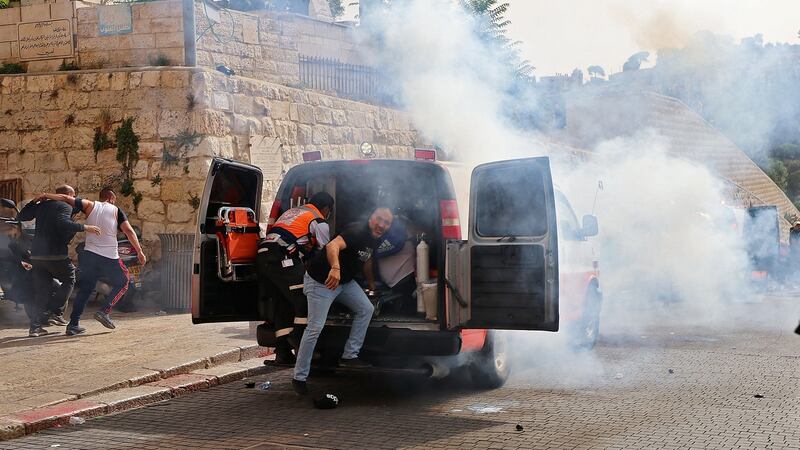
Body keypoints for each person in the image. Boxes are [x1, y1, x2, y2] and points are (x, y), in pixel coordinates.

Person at [292, 207, 394, 395]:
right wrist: (336, 268)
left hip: (345, 283)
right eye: (379, 219)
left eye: (387, 222)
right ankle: (299, 377)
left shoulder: (375, 238)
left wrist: (372, 286)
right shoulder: (357, 230)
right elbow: (332, 246)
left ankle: (349, 355)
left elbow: (367, 260)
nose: (381, 225)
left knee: (366, 309)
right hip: (321, 281)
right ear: (371, 217)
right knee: (315, 327)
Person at [39, 187, 146, 335]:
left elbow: (64, 198)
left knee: (86, 289)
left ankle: (73, 324)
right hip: (109, 256)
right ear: (111, 198)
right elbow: (128, 231)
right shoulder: (116, 210)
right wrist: (139, 251)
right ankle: (104, 311)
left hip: (90, 255)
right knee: (123, 281)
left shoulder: (89, 205)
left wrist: (45, 195)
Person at [257, 192, 334, 364]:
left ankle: (283, 352)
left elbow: (293, 236)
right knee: (306, 298)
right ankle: (298, 338)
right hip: (283, 258)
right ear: (326, 208)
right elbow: (326, 251)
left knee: (283, 303)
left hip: (264, 256)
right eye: (330, 211)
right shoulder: (319, 221)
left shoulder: (293, 212)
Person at [17, 185, 101, 337]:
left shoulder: (42, 205)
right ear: (68, 195)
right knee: (70, 278)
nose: (74, 200)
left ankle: (35, 328)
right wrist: (85, 227)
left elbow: (21, 216)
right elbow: (63, 223)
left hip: (37, 255)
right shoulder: (64, 206)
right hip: (55, 254)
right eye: (73, 196)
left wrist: (33, 201)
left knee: (42, 291)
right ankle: (55, 311)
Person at [364, 217, 418, 314]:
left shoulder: (376, 239)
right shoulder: (402, 236)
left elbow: (366, 259)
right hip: (403, 278)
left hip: (389, 279)